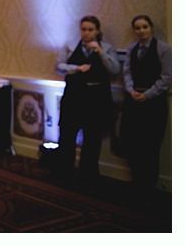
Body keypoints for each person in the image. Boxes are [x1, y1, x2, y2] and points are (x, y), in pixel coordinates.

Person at [55, 15, 120, 185]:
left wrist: (100, 52)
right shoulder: (70, 46)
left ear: (97, 31)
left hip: (96, 100)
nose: (86, 33)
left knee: (92, 139)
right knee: (67, 136)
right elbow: (58, 66)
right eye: (83, 29)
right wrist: (76, 68)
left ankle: (88, 175)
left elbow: (114, 69)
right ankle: (64, 172)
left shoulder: (107, 48)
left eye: (90, 30)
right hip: (73, 97)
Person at [119, 14, 171, 193]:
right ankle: (137, 182)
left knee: (150, 144)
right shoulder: (131, 49)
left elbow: (166, 77)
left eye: (145, 27)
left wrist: (147, 94)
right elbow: (127, 72)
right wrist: (131, 89)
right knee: (134, 143)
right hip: (133, 101)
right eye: (138, 28)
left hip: (154, 104)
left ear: (151, 28)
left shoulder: (164, 49)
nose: (141, 31)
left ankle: (149, 185)